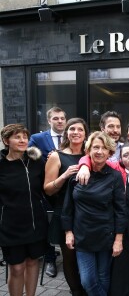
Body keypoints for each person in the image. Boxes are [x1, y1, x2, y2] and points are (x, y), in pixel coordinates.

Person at [77, 141, 129, 295]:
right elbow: (92, 157)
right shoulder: (116, 170)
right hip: (123, 227)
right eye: (125, 155)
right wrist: (84, 166)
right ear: (120, 158)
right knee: (123, 266)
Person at [61, 131, 127, 296]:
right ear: (88, 150)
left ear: (110, 153)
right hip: (82, 235)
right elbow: (68, 206)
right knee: (88, 280)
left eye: (104, 148)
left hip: (106, 234)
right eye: (95, 147)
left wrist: (119, 239)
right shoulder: (77, 174)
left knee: (103, 275)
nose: (99, 151)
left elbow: (120, 210)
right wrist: (68, 232)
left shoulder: (115, 176)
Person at [0, 124, 48, 296]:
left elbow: (46, 188)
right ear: (6, 141)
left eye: (24, 137)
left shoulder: (36, 161)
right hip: (11, 226)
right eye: (17, 137)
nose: (22, 140)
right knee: (17, 268)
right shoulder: (2, 165)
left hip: (36, 223)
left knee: (33, 262)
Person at [43, 118, 88, 296]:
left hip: (87, 213)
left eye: (80, 129)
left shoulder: (90, 154)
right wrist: (64, 176)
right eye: (72, 129)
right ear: (66, 133)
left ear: (85, 134)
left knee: (84, 256)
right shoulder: (56, 156)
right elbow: (47, 189)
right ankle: (76, 291)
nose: (76, 132)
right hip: (65, 211)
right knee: (69, 257)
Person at [29, 106, 67, 277]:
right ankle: (50, 259)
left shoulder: (72, 135)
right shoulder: (37, 138)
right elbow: (29, 158)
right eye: (56, 118)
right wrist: (50, 158)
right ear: (49, 120)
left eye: (62, 118)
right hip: (45, 189)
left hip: (67, 189)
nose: (60, 121)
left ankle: (69, 258)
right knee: (47, 223)